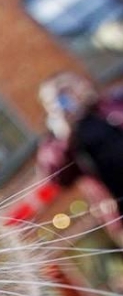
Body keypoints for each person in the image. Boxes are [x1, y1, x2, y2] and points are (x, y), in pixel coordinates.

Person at [36, 71, 123, 244]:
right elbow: (57, 177)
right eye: (58, 96)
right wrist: (65, 135)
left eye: (68, 88)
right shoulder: (57, 141)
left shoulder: (113, 104)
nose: (67, 97)